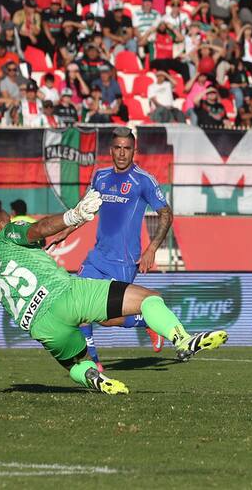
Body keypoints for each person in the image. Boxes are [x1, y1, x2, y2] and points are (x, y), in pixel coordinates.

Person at [0, 193, 227, 395]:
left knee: (78, 362)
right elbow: (39, 229)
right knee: (147, 298)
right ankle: (182, 339)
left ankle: (94, 378)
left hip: (42, 327)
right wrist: (74, 215)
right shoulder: (8, 234)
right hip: (67, 295)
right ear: (0, 225)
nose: (12, 221)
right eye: (7, 220)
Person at [78, 127, 173, 371]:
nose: (122, 153)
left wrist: (151, 248)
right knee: (79, 307)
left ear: (134, 151)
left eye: (127, 148)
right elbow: (84, 210)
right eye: (117, 148)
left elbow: (165, 214)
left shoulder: (143, 181)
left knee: (106, 319)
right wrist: (61, 233)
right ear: (111, 150)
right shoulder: (99, 177)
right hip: (96, 257)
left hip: (123, 261)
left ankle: (146, 321)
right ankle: (94, 363)